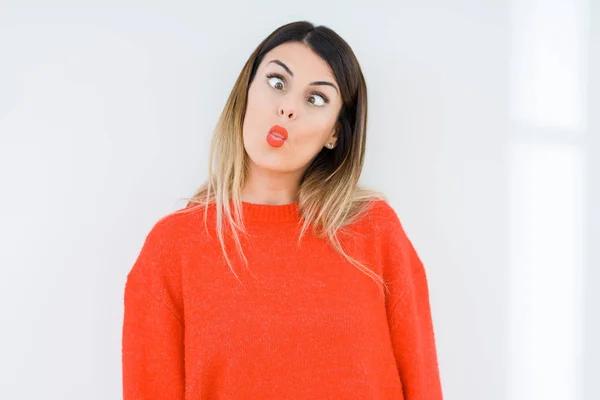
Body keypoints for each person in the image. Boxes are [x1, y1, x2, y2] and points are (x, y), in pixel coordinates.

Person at [121, 20, 443, 400]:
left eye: (315, 99)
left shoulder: (374, 231)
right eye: (277, 83)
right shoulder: (173, 247)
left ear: (335, 133)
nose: (288, 108)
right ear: (246, 92)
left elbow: (423, 386)